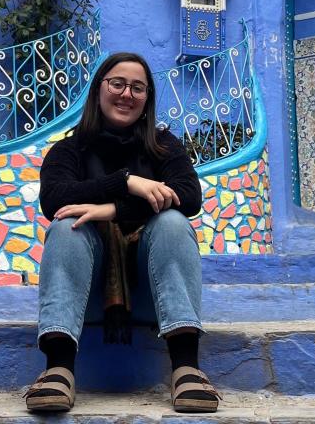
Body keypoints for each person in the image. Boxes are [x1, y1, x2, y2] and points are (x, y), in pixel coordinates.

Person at [24, 52, 221, 414]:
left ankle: (187, 369)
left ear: (147, 99)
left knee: (174, 222)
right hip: (90, 289)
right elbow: (55, 199)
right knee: (68, 225)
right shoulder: (69, 151)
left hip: (155, 287)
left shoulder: (163, 146)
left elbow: (189, 196)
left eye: (137, 87)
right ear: (99, 89)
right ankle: (58, 369)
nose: (127, 94)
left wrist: (112, 209)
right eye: (118, 83)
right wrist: (128, 182)